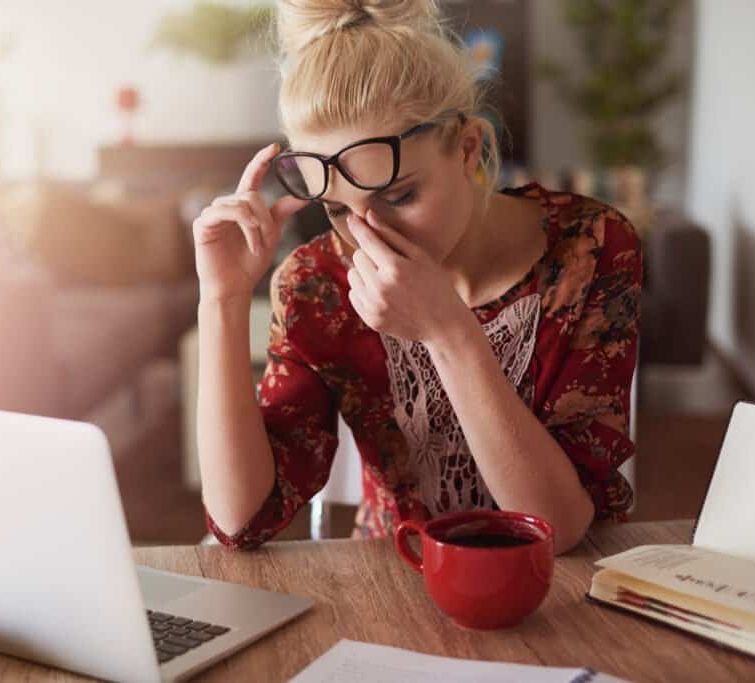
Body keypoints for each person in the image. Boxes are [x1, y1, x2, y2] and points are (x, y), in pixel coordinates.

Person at [192, 0, 641, 556]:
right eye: (337, 209)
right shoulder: (318, 283)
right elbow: (241, 521)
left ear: (468, 149)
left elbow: (560, 528)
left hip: (561, 596)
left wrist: (448, 332)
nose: (370, 236)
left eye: (400, 196)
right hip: (394, 581)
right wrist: (223, 299)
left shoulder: (590, 248)